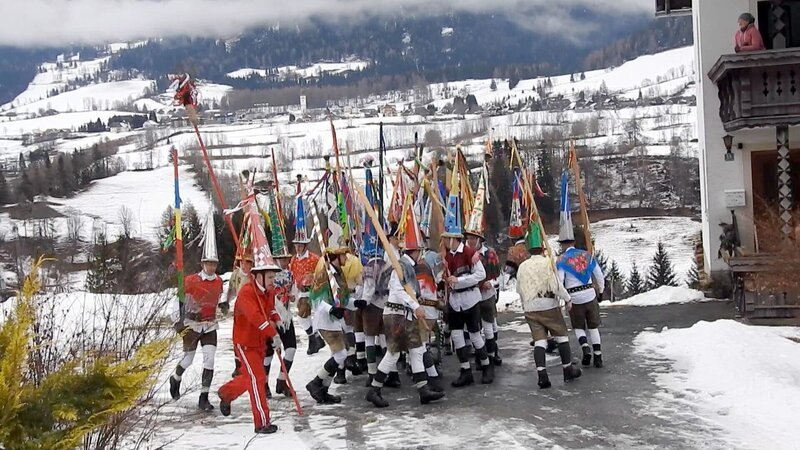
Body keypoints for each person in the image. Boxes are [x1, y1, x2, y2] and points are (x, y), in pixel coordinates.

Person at [366, 214, 445, 407]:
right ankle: (374, 390)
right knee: (393, 354)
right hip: (396, 315)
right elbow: (398, 290)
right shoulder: (400, 267)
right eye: (420, 250)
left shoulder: (408, 266)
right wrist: (416, 306)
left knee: (417, 350)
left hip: (405, 315)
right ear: (415, 251)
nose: (422, 254)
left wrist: (415, 306)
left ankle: (424, 390)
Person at [217, 254, 283, 434]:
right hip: (245, 342)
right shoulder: (246, 292)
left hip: (260, 342)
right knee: (257, 379)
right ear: (258, 276)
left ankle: (226, 393)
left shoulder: (269, 291)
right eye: (270, 277)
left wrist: (277, 320)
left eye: (273, 277)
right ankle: (262, 422)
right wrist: (273, 333)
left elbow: (269, 309)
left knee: (250, 377)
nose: (273, 280)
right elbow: (255, 317)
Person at [168, 211, 226, 412]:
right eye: (208, 263)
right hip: (191, 325)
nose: (211, 266)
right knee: (189, 359)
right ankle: (175, 378)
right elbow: (179, 300)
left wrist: (223, 306)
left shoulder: (219, 282)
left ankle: (204, 397)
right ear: (202, 264)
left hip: (209, 325)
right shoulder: (191, 280)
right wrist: (178, 321)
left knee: (210, 359)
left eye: (214, 263)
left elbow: (219, 300)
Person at [516, 241, 582, 389]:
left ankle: (542, 376)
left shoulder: (522, 266)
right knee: (561, 336)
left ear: (529, 251)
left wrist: (525, 304)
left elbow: (519, 288)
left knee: (539, 341)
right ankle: (567, 370)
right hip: (548, 305)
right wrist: (567, 299)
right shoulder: (548, 263)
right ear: (542, 250)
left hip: (530, 307)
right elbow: (555, 285)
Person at [305, 246, 360, 404]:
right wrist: (332, 310)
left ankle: (323, 390)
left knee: (337, 356)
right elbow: (317, 300)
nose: (347, 258)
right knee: (341, 355)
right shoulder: (324, 274)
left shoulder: (339, 275)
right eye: (344, 255)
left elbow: (343, 299)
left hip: (336, 322)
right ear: (336, 256)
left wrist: (356, 303)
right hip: (325, 321)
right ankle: (315, 382)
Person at [443, 233, 493, 387]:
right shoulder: (446, 256)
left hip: (470, 299)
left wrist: (460, 280)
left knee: (475, 336)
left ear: (454, 239)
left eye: (446, 238)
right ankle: (465, 371)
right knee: (457, 337)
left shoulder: (469, 253)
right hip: (454, 300)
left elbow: (481, 274)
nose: (444, 242)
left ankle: (486, 366)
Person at [557, 234, 606, 368]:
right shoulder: (586, 255)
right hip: (589, 294)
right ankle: (598, 356)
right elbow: (599, 275)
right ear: (573, 242)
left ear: (562, 244)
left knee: (578, 327)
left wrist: (564, 297)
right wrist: (600, 292)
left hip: (574, 297)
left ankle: (585, 347)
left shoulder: (561, 260)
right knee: (593, 327)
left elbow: (560, 281)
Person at [464, 230, 502, 366]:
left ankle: (492, 354)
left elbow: (499, 276)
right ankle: (480, 354)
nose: (471, 241)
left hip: (486, 295)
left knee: (488, 327)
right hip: (471, 296)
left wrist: (490, 283)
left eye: (474, 238)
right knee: (474, 328)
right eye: (469, 238)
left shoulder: (489, 254)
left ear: (480, 239)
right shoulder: (466, 253)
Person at [263, 253, 298, 399]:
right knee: (269, 353)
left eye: (286, 259)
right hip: (271, 317)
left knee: (291, 349)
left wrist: (292, 296)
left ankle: (282, 381)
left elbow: (295, 293)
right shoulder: (269, 275)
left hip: (286, 318)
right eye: (281, 258)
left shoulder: (290, 275)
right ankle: (263, 384)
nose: (284, 261)